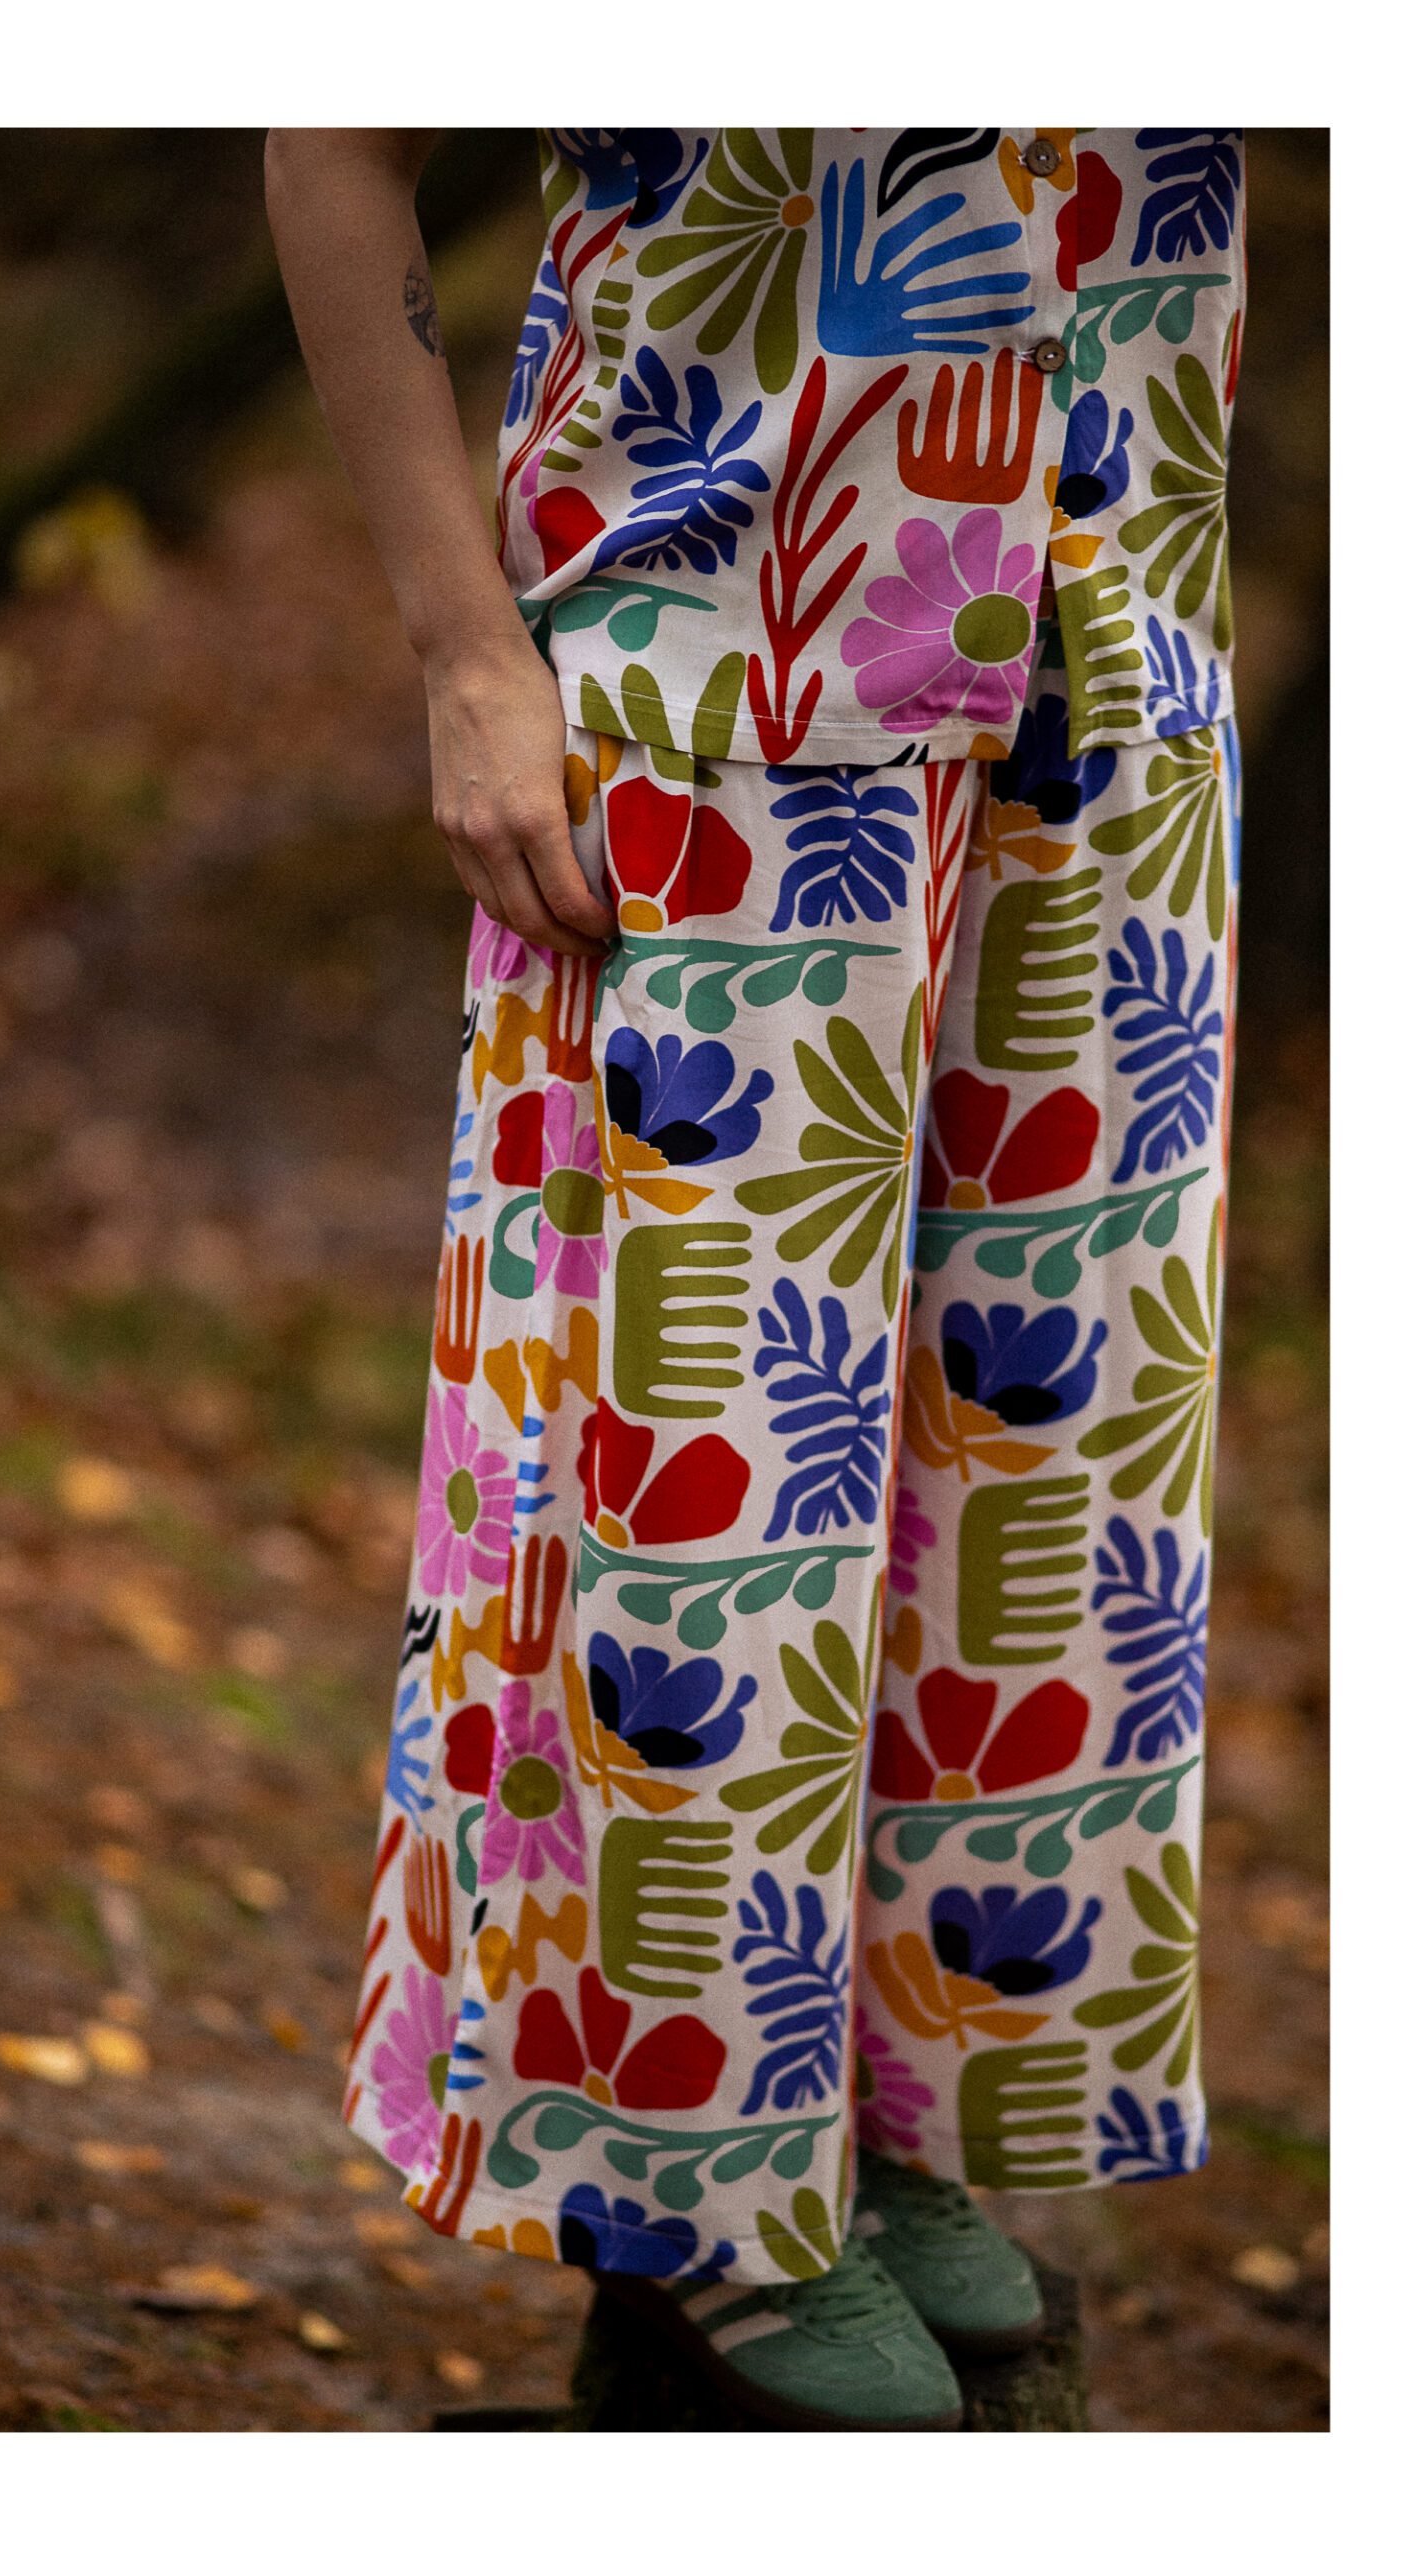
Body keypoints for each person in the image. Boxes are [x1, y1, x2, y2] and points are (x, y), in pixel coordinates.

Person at [266, 125, 1244, 2431]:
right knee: (697, 1481)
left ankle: (887, 2105)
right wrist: (463, 649)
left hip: (1108, 668)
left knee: (1020, 1468)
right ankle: (686, 2183)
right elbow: (333, 125)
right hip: (725, 667)